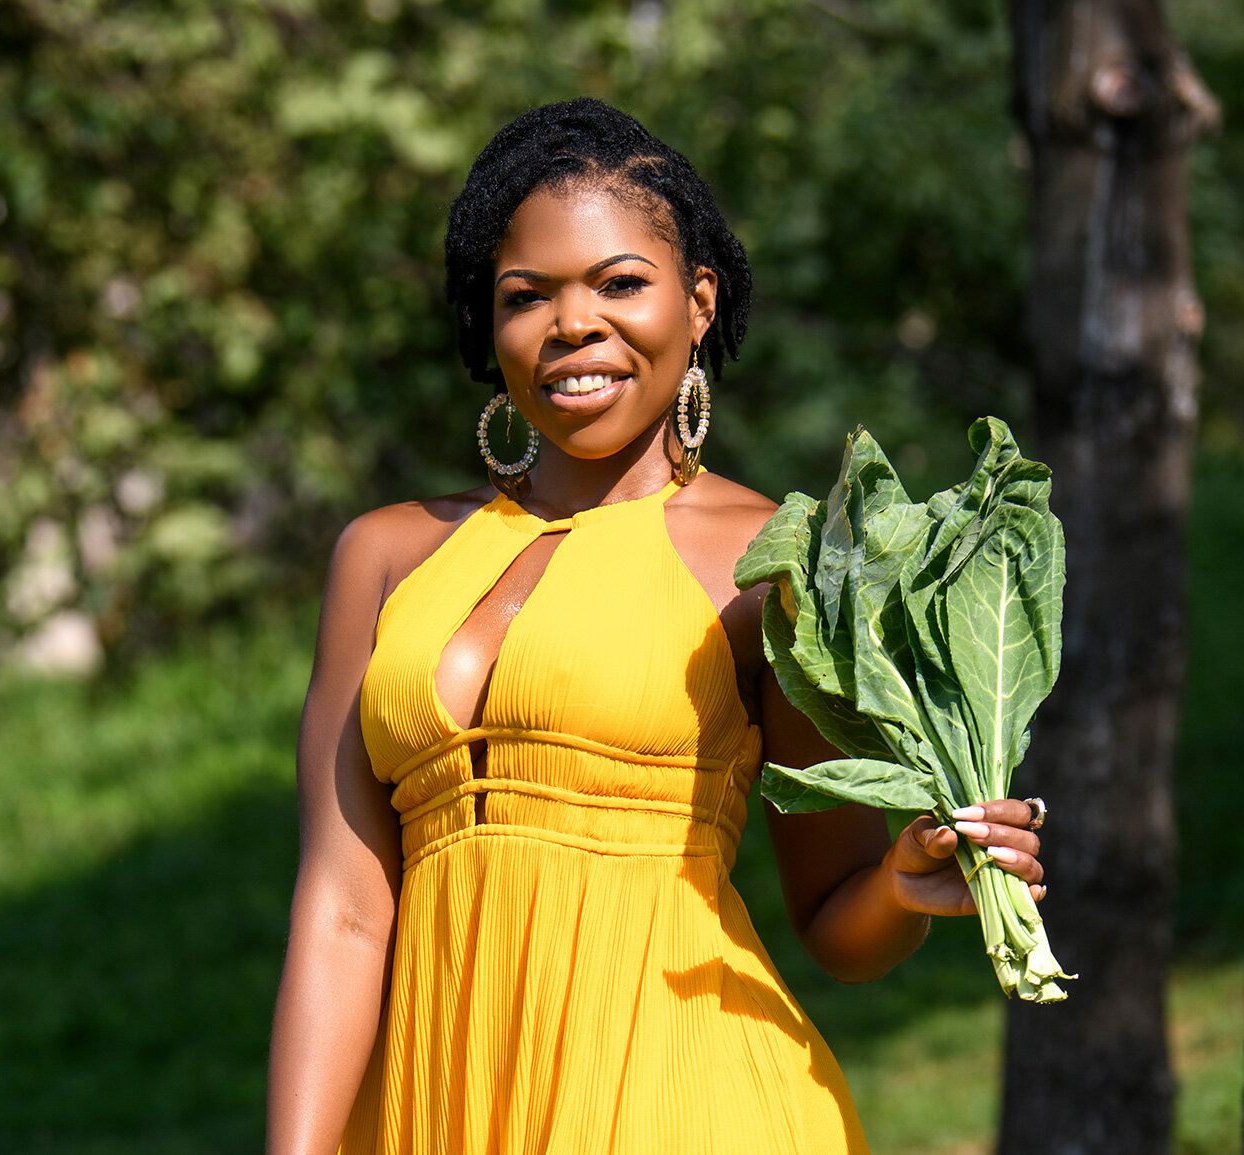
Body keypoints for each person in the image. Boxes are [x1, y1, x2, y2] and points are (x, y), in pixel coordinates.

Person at [266, 98, 1047, 1155]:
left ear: (697, 302)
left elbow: (836, 924)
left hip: (686, 1098)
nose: (571, 326)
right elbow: (343, 912)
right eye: (524, 296)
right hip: (440, 1107)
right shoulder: (386, 555)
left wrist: (906, 885)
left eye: (619, 284)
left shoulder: (772, 560)